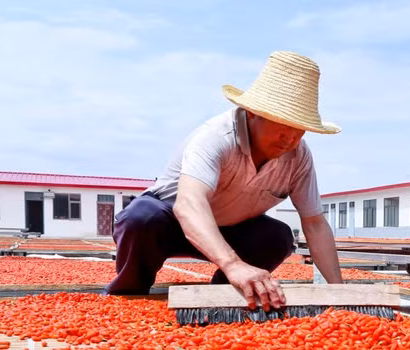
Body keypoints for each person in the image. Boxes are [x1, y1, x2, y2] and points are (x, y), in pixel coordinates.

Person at [105, 51, 344, 310]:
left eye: (299, 131)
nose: (290, 139)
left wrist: (340, 291)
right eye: (283, 126)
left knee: (278, 237)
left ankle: (227, 295)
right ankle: (129, 295)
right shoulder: (216, 138)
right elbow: (188, 205)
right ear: (253, 113)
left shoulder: (298, 156)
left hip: (231, 229)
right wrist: (233, 264)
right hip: (168, 224)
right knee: (141, 217)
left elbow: (314, 223)